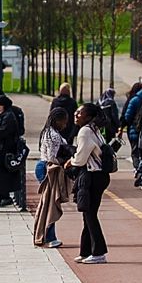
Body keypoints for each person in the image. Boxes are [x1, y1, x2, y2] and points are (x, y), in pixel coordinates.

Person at [67, 101, 111, 264]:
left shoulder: (85, 131)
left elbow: (80, 158)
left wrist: (70, 161)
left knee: (90, 214)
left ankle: (99, 252)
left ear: (89, 117)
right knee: (88, 215)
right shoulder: (94, 129)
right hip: (100, 175)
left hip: (92, 175)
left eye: (80, 113)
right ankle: (86, 251)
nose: (76, 115)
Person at [34, 105, 74, 249]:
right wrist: (67, 161)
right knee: (50, 204)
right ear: (57, 120)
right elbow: (52, 157)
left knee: (48, 203)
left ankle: (47, 235)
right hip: (50, 169)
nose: (65, 125)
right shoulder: (54, 136)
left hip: (43, 166)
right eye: (64, 121)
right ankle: (49, 237)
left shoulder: (47, 132)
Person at [0, 94, 26, 213]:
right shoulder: (6, 116)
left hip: (3, 152)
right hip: (1, 151)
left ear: (3, 106)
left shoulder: (8, 117)